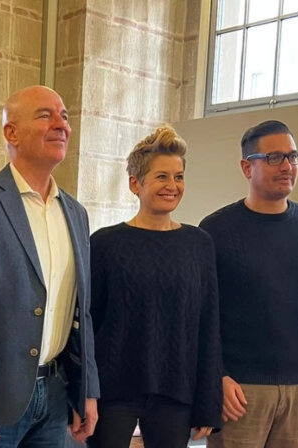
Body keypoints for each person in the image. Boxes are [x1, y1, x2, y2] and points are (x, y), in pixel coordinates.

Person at [0, 85, 100, 447]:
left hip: (56, 397)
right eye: (45, 115)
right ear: (11, 133)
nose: (61, 124)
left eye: (64, 116)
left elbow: (82, 312)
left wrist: (87, 389)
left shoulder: (76, 213)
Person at [199, 120, 298, 448]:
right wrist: (217, 376)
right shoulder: (215, 230)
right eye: (274, 157)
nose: (287, 166)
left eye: (293, 157)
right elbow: (201, 315)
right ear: (246, 167)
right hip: (239, 392)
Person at [87, 125, 222, 448]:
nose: (172, 186)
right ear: (135, 183)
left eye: (179, 177)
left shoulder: (198, 244)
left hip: (176, 392)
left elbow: (208, 325)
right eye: (162, 176)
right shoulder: (104, 244)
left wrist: (208, 402)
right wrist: (83, 393)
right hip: (112, 391)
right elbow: (88, 325)